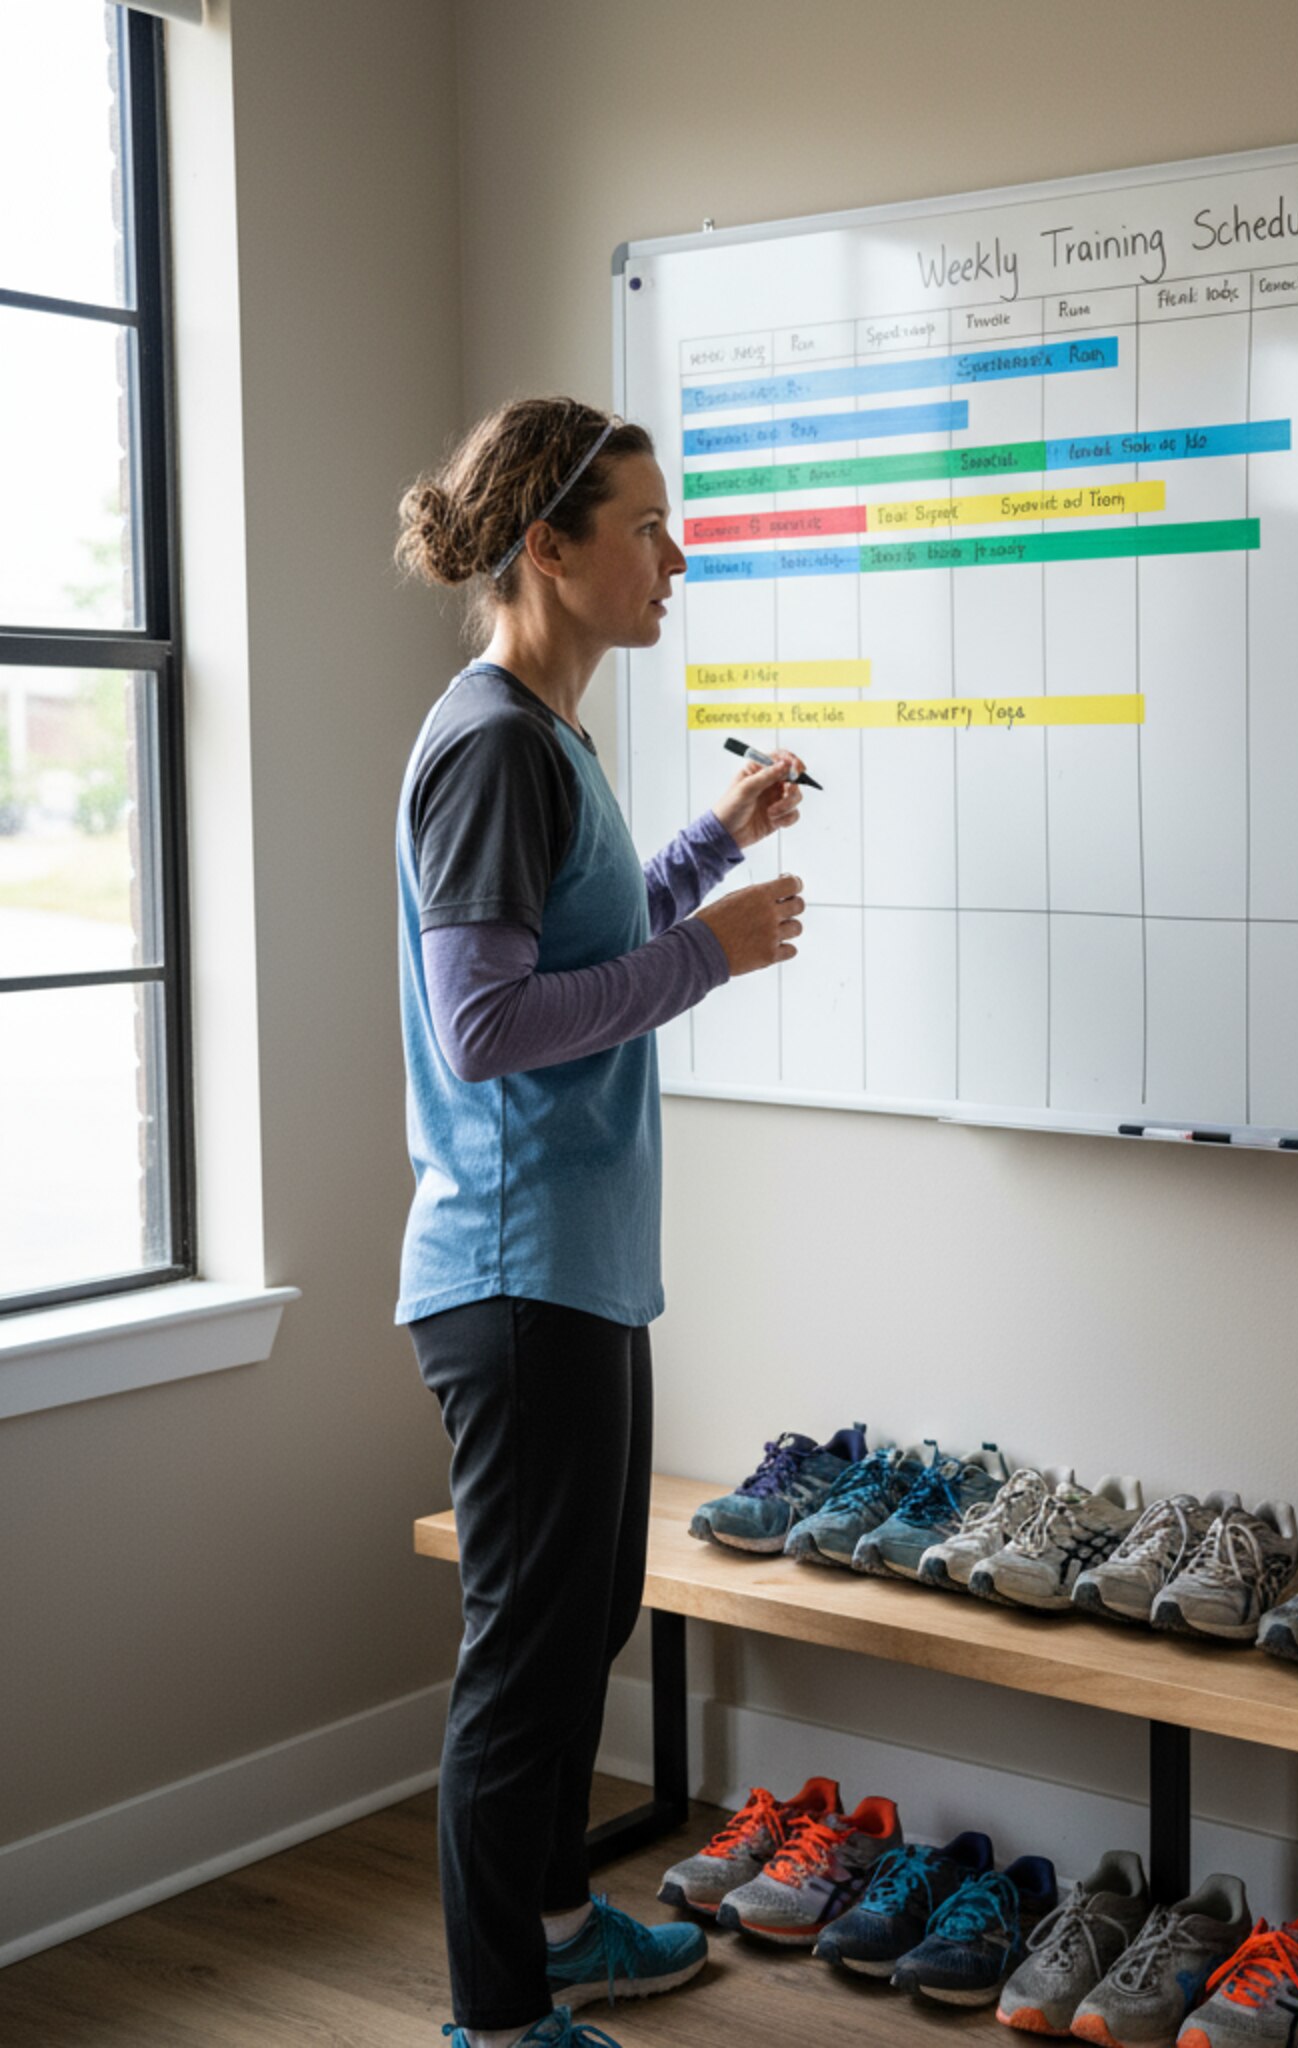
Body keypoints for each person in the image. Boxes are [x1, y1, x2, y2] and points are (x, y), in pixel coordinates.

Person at [393, 396, 804, 2048]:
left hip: (574, 1264)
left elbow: (573, 942)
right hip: (508, 1270)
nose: (675, 556)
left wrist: (711, 847)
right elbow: (484, 1023)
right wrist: (715, 951)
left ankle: (558, 1926)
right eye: (645, 526)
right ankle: (496, 2018)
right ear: (546, 548)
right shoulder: (491, 742)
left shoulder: (545, 739)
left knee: (582, 1630)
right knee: (526, 1656)